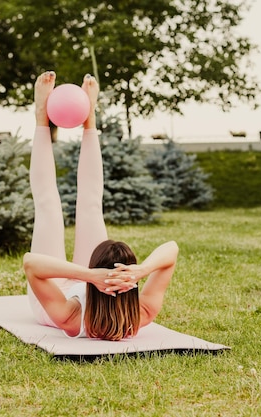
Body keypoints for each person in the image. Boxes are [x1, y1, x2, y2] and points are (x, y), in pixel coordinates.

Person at [23, 71, 179, 341]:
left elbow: (31, 264)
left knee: (48, 207)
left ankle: (40, 118)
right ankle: (90, 118)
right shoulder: (142, 312)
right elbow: (172, 249)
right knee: (92, 206)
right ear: (130, 282)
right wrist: (140, 271)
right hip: (86, 281)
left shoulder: (70, 317)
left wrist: (90, 275)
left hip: (59, 287)